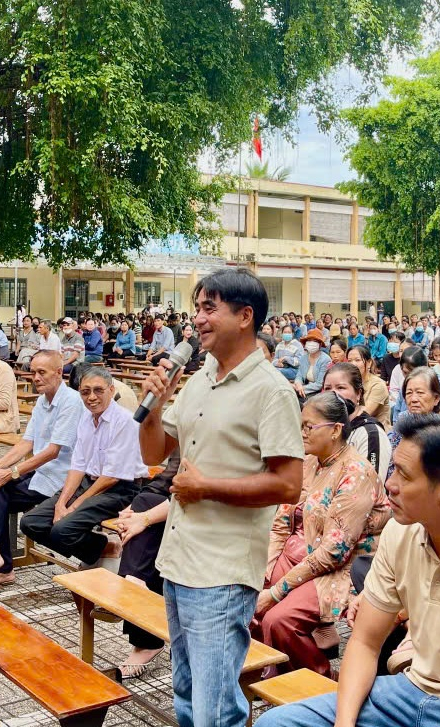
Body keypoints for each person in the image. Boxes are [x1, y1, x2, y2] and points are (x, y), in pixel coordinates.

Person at [256, 415, 440, 727]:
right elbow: (364, 643)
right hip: (406, 691)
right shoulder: (401, 532)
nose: (389, 484)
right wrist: (344, 723)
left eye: (404, 475)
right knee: (276, 723)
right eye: (393, 469)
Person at [138, 268, 303, 727]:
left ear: (245, 316)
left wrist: (206, 487)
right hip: (179, 559)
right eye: (197, 309)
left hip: (222, 572)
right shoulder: (200, 377)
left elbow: (289, 484)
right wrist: (152, 408)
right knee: (187, 696)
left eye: (209, 308)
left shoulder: (271, 391)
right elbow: (154, 453)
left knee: (215, 710)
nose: (198, 319)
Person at [253, 392, 390, 677]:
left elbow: (334, 552)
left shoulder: (356, 472)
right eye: (300, 425)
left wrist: (276, 591)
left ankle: (319, 680)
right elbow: (282, 521)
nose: (302, 433)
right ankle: (267, 676)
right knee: (248, 601)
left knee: (279, 620)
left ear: (336, 430)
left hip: (339, 567)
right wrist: (265, 568)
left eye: (309, 426)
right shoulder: (308, 462)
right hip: (298, 554)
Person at [0, 350, 84, 590]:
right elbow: (26, 443)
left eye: (42, 372)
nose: (36, 377)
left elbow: (53, 451)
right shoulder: (42, 401)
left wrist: (11, 473)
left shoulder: (71, 401)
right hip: (40, 472)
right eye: (33, 372)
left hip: (61, 479)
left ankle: (0, 565)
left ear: (59, 372)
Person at [21, 366, 148, 567]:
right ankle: (103, 548)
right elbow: (78, 466)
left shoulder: (125, 421)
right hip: (90, 482)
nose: (92, 397)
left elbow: (111, 477)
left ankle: (102, 552)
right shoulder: (86, 418)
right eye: (85, 392)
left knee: (62, 530)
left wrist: (73, 506)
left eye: (98, 390)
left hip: (120, 489)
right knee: (31, 523)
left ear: (111, 390)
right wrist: (61, 504)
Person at [113, 451, 183, 678]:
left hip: (211, 513)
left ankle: (131, 585)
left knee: (145, 521)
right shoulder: (191, 434)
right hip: (180, 507)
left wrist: (143, 517)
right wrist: (134, 510)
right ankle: (133, 582)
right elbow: (167, 477)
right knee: (144, 501)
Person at [322, 363, 392, 483]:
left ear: (358, 393)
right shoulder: (325, 428)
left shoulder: (370, 434)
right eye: (328, 388)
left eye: (341, 388)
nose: (333, 394)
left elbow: (370, 485)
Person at [348, 345, 390, 429]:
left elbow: (364, 414)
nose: (353, 364)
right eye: (349, 361)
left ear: (369, 362)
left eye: (357, 360)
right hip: (353, 428)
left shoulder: (378, 385)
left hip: (375, 430)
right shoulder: (350, 383)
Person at [294, 328, 331, 401]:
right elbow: (299, 375)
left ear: (320, 344)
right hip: (303, 388)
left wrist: (302, 388)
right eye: (309, 340)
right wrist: (298, 384)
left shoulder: (325, 360)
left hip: (317, 392)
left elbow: (319, 384)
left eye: (314, 341)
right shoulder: (304, 357)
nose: (311, 343)